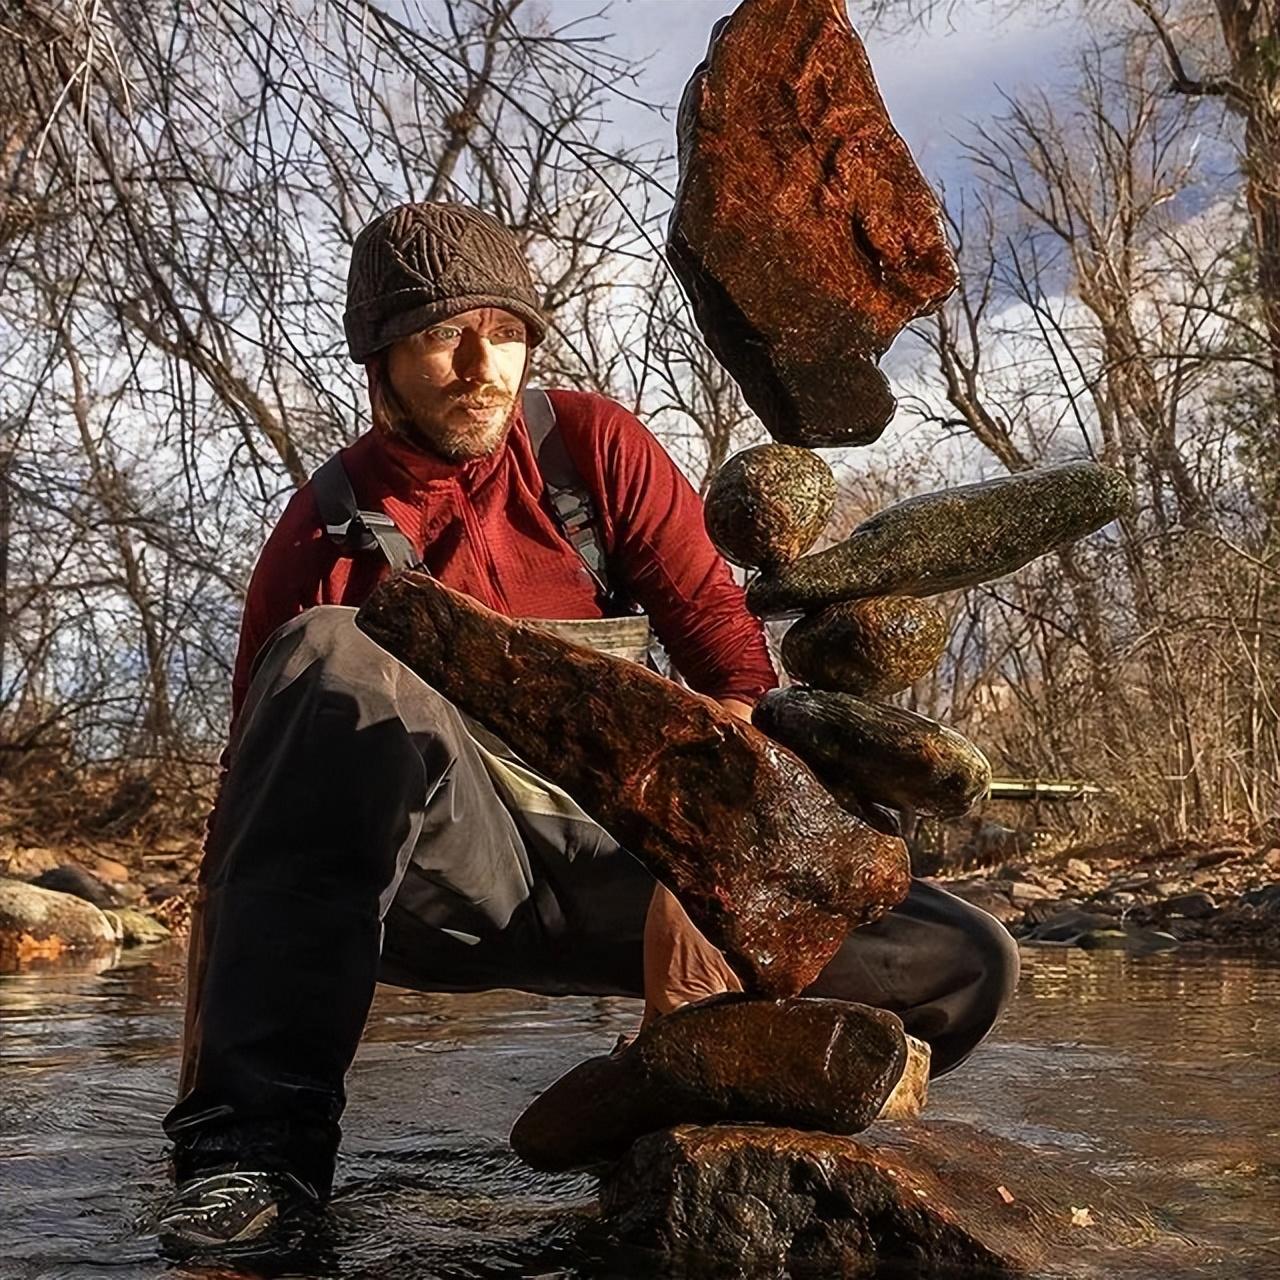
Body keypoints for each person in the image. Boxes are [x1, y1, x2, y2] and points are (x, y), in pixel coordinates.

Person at [156, 201, 1019, 1256]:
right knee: (334, 649)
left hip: (630, 863)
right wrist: (210, 1107)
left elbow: (732, 663)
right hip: (446, 885)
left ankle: (679, 1098)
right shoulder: (323, 529)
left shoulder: (589, 453)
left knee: (962, 961)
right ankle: (259, 1156)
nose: (482, 362)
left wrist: (711, 873)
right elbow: (244, 836)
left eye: (505, 331)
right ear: (377, 355)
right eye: (440, 334)